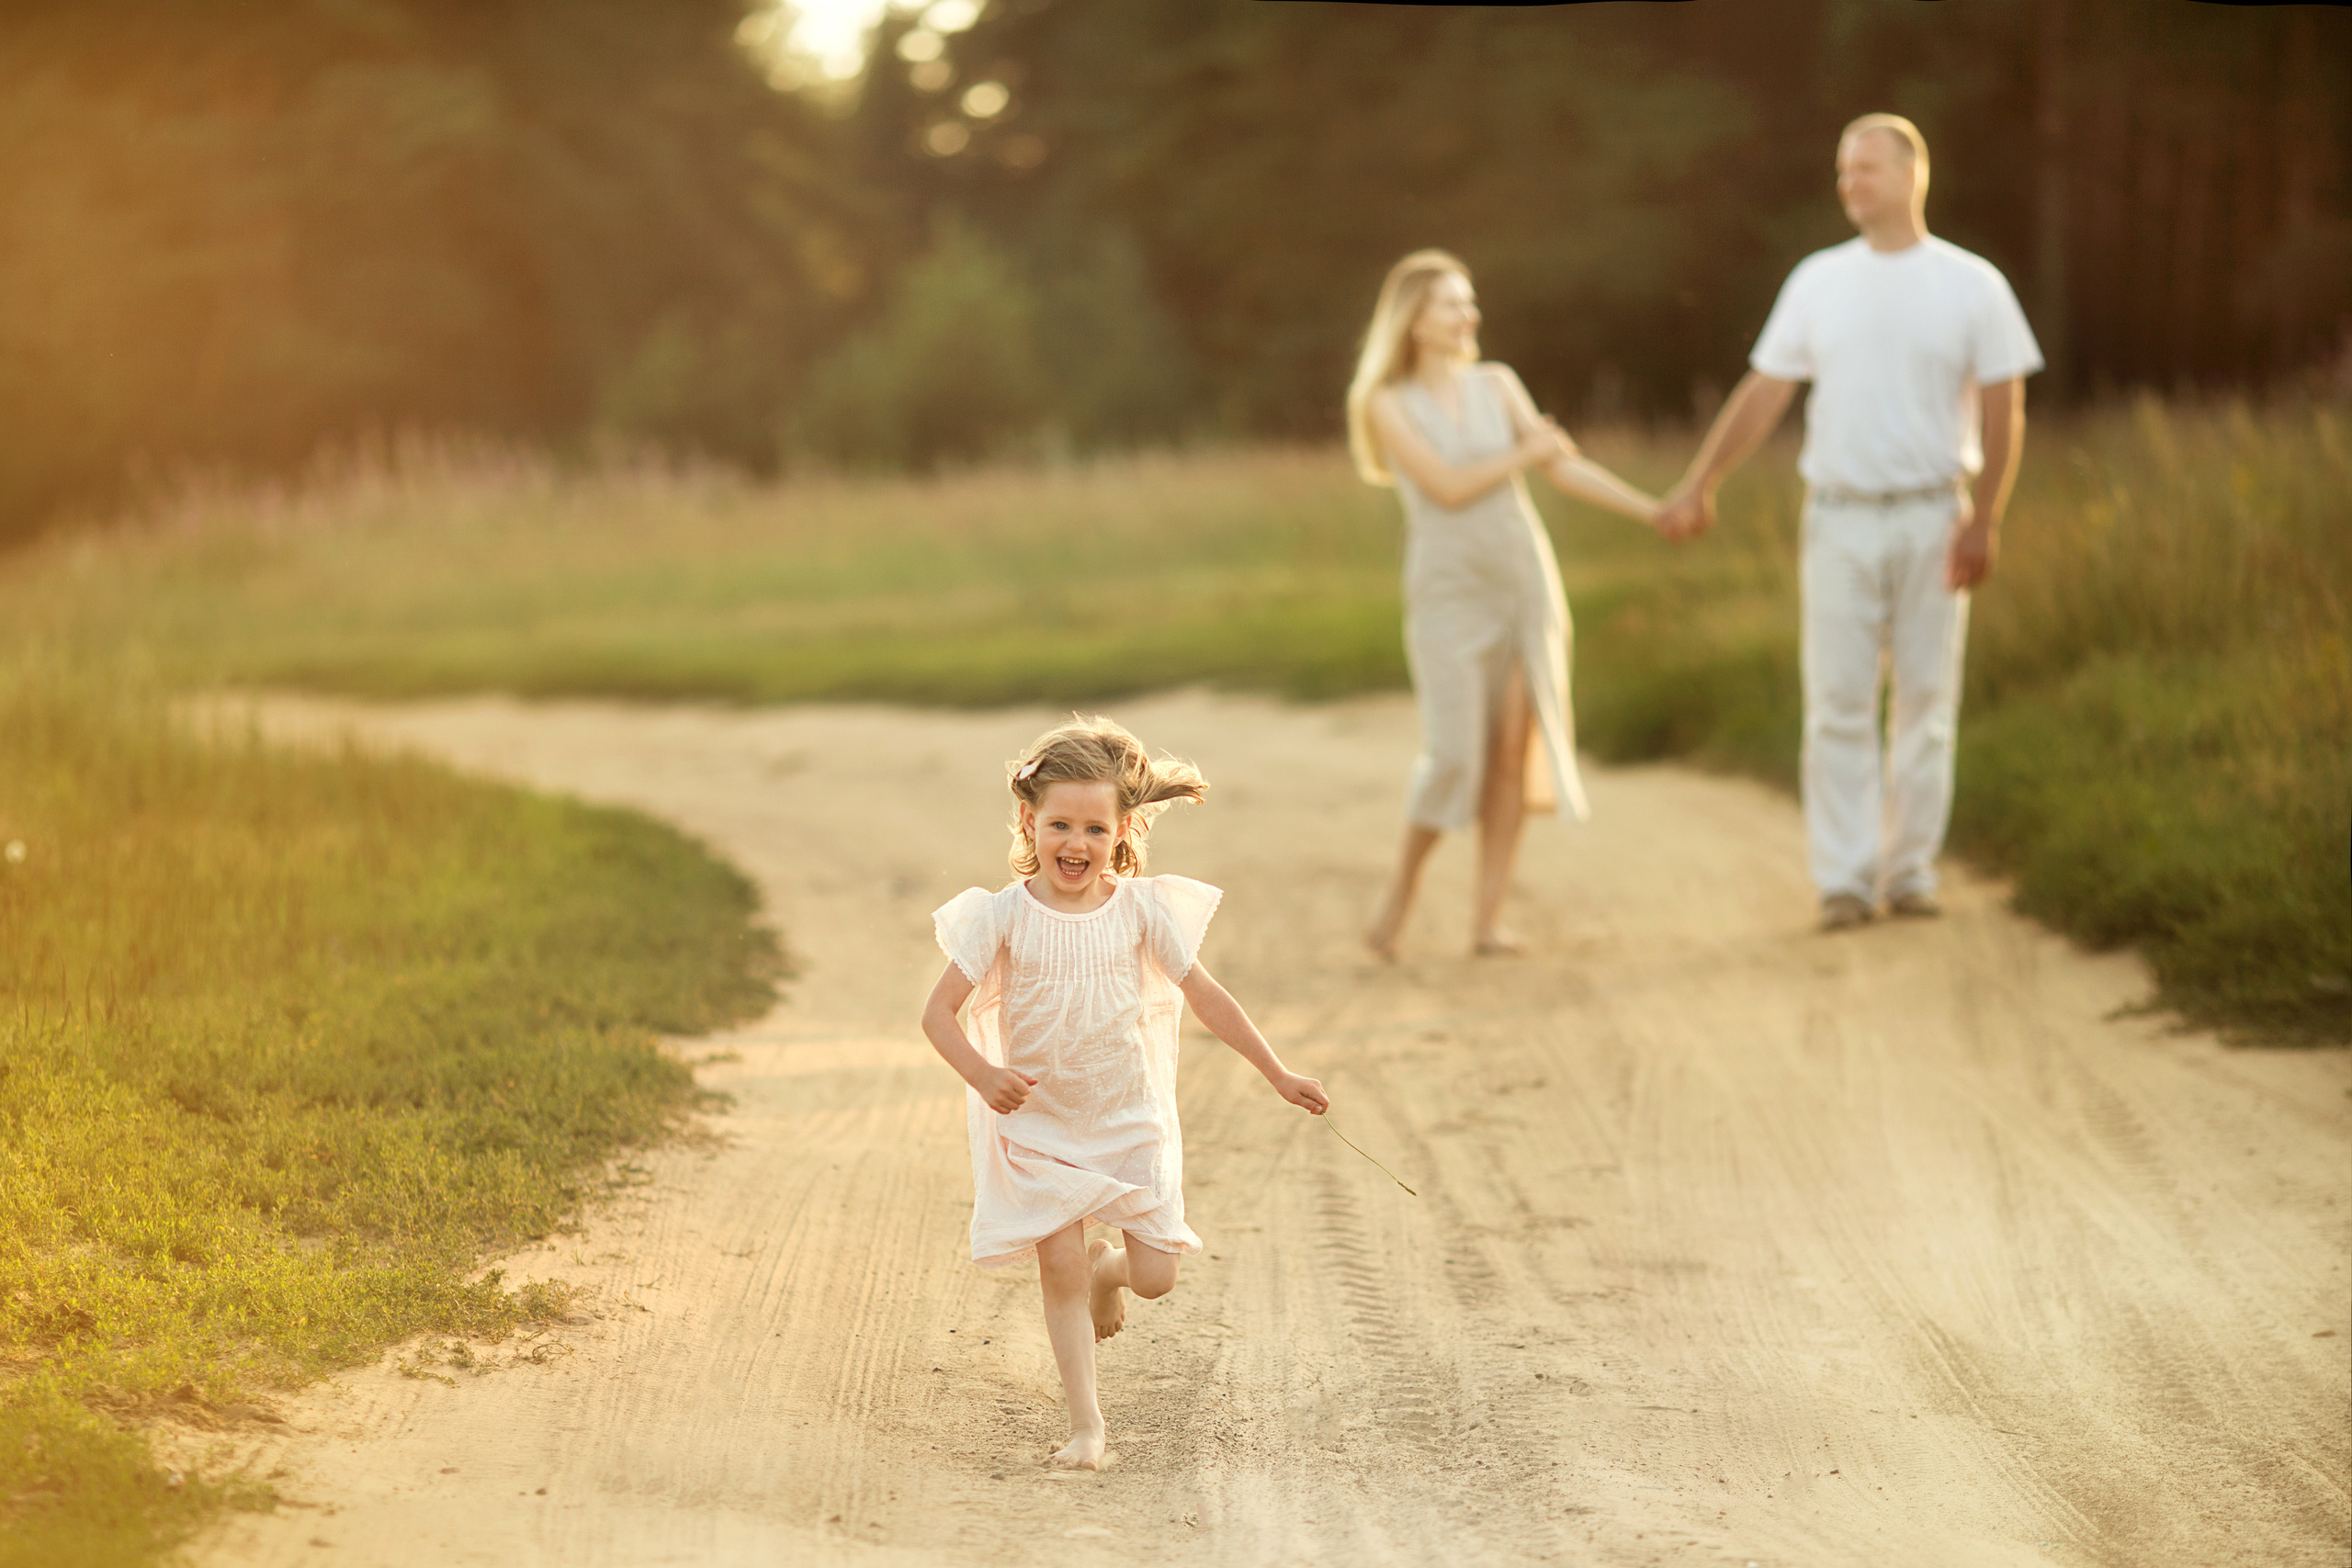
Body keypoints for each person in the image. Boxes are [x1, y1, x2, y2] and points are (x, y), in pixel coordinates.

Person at [1656, 113, 2042, 931]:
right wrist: (1700, 481)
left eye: (1865, 168)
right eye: (1842, 170)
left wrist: (1986, 518)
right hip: (1837, 518)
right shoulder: (1818, 280)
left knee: (1926, 701)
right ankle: (1844, 880)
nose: (1848, 183)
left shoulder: (1972, 284)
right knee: (1837, 701)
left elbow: (2005, 405)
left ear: (1912, 175)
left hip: (1934, 514)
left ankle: (1911, 873)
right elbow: (1766, 390)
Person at [921, 716, 1329, 1472]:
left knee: (1156, 1279)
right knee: (1059, 1268)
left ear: (1123, 830)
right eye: (1059, 825)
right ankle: (1087, 1426)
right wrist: (984, 1074)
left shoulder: (1140, 910)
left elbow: (1206, 996)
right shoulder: (1003, 916)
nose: (1075, 843)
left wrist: (1278, 1072)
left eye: (1094, 828)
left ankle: (1110, 1268)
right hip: (1041, 1123)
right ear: (1028, 821)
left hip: (1128, 1118)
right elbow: (937, 1014)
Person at [1348, 249, 1662, 960]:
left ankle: (1487, 922)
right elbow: (1448, 487)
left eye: (1470, 301)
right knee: (1454, 755)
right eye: (1452, 303)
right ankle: (1400, 891)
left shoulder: (1498, 382)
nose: (1470, 314)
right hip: (1448, 593)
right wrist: (1527, 452)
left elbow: (1565, 467)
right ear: (1415, 320)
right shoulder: (1385, 402)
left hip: (1522, 583)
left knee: (1511, 755)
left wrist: (1654, 511)